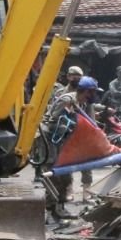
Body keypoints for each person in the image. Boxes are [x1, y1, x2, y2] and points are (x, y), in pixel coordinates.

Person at [43, 76, 100, 220]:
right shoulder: (67, 100)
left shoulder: (79, 103)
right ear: (86, 91)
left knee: (66, 176)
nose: (92, 96)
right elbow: (52, 123)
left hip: (62, 142)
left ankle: (59, 208)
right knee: (55, 176)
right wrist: (71, 127)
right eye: (91, 92)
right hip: (50, 142)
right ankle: (51, 210)